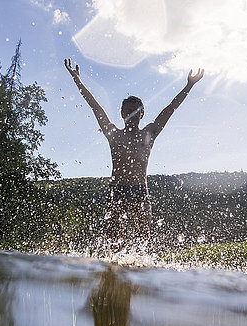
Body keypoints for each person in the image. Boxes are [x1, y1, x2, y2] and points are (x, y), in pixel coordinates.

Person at [64, 58, 204, 249]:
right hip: (118, 191)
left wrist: (188, 86)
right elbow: (95, 106)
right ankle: (112, 275)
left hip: (140, 191)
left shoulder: (149, 134)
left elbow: (170, 109)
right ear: (122, 114)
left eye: (135, 111)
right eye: (127, 111)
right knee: (114, 244)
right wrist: (77, 81)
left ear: (142, 114)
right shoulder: (114, 135)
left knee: (142, 242)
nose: (131, 115)